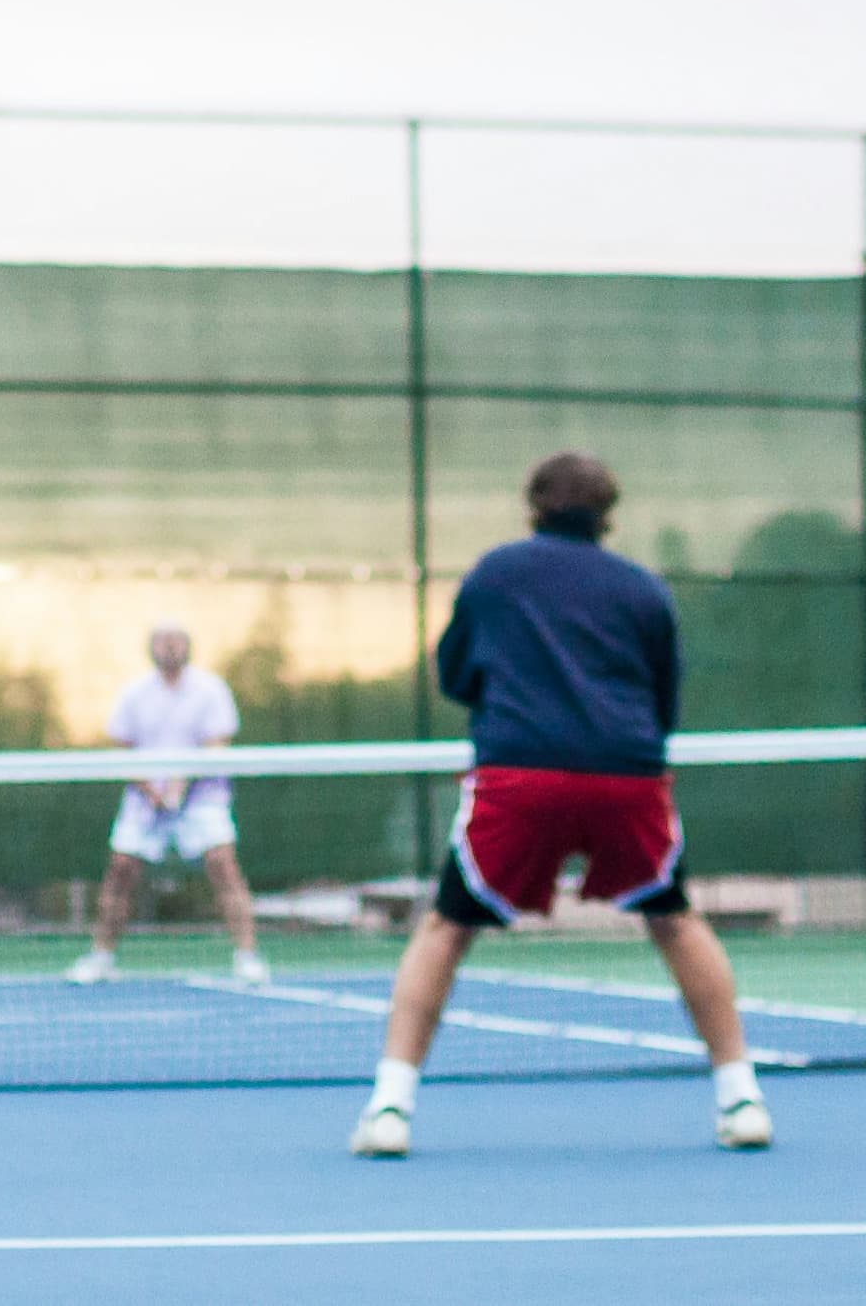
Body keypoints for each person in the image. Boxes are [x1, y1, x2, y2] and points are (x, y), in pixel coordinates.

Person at [349, 453, 767, 1159]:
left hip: (520, 775)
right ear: (608, 513)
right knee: (675, 920)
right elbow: (663, 700)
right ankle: (742, 1095)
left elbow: (455, 672)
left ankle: (390, 1105)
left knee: (446, 927)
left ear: (532, 506)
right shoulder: (644, 590)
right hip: (625, 775)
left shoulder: (494, 575)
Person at [65, 620, 267, 987]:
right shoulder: (134, 693)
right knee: (121, 868)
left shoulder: (211, 689)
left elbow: (216, 743)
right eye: (163, 641)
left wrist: (181, 784)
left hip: (203, 796)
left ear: (188, 646)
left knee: (222, 863)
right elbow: (123, 750)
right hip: (145, 801)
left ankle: (248, 957)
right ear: (152, 648)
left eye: (176, 641)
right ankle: (101, 956)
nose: (170, 648)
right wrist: (153, 792)